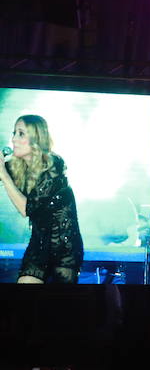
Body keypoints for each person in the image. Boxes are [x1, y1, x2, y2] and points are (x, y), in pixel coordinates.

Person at [0, 115, 83, 283]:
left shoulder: (54, 164)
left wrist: (3, 174)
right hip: (38, 246)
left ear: (36, 138)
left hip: (63, 248)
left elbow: (25, 209)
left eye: (21, 133)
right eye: (14, 133)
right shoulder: (16, 166)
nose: (14, 138)